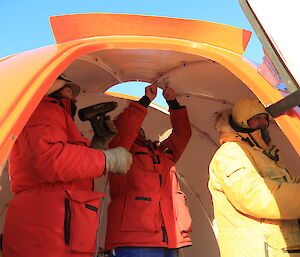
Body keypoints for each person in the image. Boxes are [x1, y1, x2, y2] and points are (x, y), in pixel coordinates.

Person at [2, 75, 132, 257]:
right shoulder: (45, 109)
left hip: (55, 229)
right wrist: (106, 159)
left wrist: (97, 147)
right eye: (71, 92)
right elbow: (47, 160)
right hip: (49, 231)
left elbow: (64, 165)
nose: (75, 99)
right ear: (60, 90)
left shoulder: (52, 116)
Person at [105, 83, 192, 257]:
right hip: (133, 239)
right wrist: (145, 101)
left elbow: (182, 135)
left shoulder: (161, 153)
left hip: (168, 237)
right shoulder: (119, 150)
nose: (139, 127)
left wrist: (172, 103)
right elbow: (125, 129)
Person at [209, 98, 300, 257]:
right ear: (241, 123)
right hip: (256, 251)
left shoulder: (267, 155)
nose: (263, 122)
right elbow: (254, 196)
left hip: (283, 249)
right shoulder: (230, 154)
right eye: (256, 119)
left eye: (264, 118)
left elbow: (291, 183)